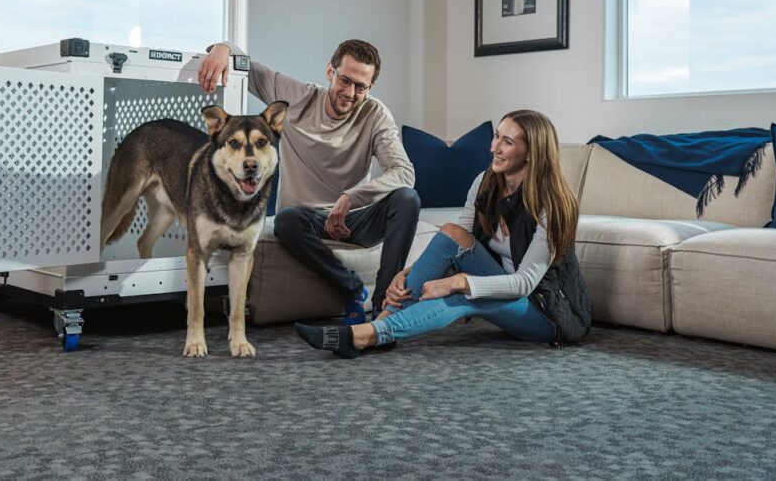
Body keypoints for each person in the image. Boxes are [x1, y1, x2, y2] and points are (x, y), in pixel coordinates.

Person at [293, 109, 591, 358]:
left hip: (545, 312)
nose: (494, 147)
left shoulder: (553, 205)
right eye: (496, 135)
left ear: (530, 153)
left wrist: (458, 282)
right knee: (451, 232)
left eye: (507, 142)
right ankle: (379, 327)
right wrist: (410, 272)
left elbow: (524, 283)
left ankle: (369, 335)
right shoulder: (486, 181)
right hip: (501, 285)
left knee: (465, 295)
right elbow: (454, 242)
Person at [196, 39, 420, 324]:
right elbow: (251, 71)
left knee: (407, 199)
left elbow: (404, 172)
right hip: (306, 220)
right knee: (286, 220)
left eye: (360, 87)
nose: (350, 93)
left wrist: (351, 198)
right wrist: (223, 48)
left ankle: (384, 307)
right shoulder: (299, 97)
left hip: (353, 218)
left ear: (370, 88)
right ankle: (352, 289)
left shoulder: (375, 114)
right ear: (330, 72)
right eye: (345, 80)